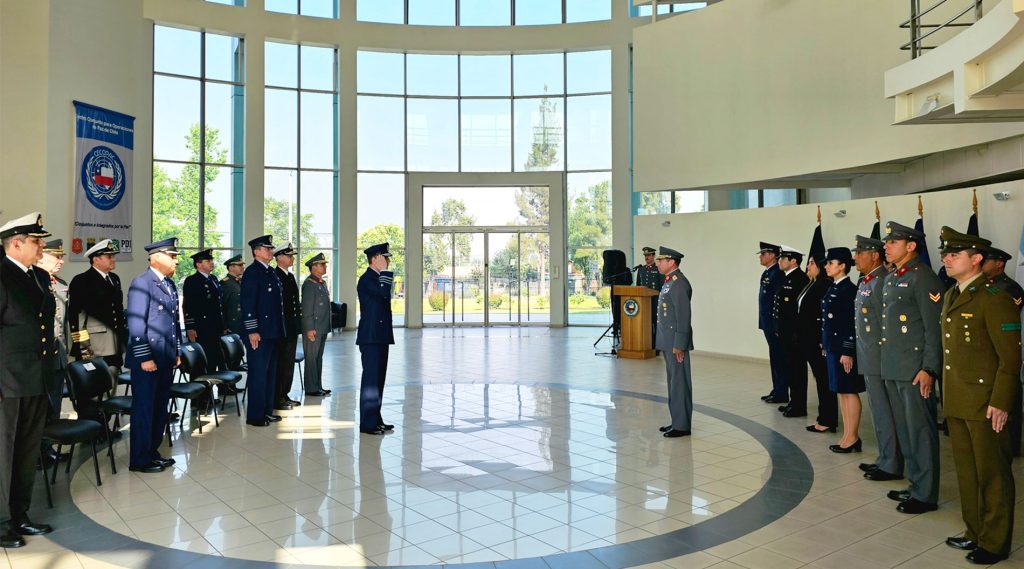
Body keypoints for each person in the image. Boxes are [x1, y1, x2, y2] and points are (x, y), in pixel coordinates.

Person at [937, 227, 1021, 566]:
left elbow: (1010, 359)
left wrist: (1000, 402)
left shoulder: (994, 298)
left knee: (993, 474)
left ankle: (995, 542)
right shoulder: (952, 294)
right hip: (958, 398)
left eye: (954, 254)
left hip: (986, 402)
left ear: (976, 260)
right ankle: (974, 531)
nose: (946, 258)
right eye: (945, 254)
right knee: (967, 472)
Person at [0, 212, 56, 548]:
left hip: (36, 378)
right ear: (16, 244)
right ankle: (2, 522)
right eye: (36, 241)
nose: (42, 246)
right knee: (4, 453)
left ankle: (20, 515)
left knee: (26, 452)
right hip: (7, 382)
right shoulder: (2, 275)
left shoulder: (38, 275)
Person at [881, 221, 944, 514]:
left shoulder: (923, 278)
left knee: (920, 432)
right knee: (906, 431)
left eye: (893, 242)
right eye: (887, 242)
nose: (886, 246)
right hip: (895, 366)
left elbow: (934, 329)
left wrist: (929, 368)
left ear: (911, 246)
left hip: (915, 370)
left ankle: (926, 494)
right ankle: (915, 483)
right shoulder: (895, 277)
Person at [125, 238, 182, 474]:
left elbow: (173, 323)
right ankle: (139, 458)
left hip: (165, 358)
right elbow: (136, 324)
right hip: (148, 360)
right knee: (145, 409)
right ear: (156, 257)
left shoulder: (168, 284)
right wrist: (143, 357)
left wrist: (176, 351)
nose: (176, 261)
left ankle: (152, 452)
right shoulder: (142, 283)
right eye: (172, 256)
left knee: (160, 408)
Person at [853, 235, 904, 481]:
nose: (855, 258)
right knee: (878, 411)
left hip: (880, 358)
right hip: (869, 356)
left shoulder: (882, 281)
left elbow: (887, 325)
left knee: (886, 412)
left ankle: (891, 463)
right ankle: (884, 458)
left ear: (875, 255)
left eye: (860, 253)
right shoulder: (868, 280)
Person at [980, 247, 1024, 456]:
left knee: (1010, 399)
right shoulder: (982, 286)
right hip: (987, 355)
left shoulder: (1010, 288)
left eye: (987, 260)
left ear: (999, 263)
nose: (982, 264)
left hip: (1004, 351)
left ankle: (1012, 445)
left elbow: (1007, 318)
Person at [822, 247, 864, 453]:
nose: (826, 266)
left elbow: (851, 323)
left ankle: (853, 436)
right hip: (834, 347)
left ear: (842, 266)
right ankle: (847, 435)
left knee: (849, 390)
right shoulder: (834, 287)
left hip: (844, 349)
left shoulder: (849, 289)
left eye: (831, 263)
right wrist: (825, 344)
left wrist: (848, 351)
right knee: (841, 391)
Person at [241, 235, 285, 427]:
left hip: (272, 331)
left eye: (271, 248)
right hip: (259, 333)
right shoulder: (252, 272)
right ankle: (255, 415)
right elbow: (248, 303)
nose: (271, 251)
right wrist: (252, 330)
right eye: (267, 248)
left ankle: (267, 411)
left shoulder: (270, 271)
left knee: (270, 374)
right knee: (258, 374)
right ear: (257, 251)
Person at [36, 239, 70, 467]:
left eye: (61, 257)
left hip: (58, 356)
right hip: (39, 358)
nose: (60, 261)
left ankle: (48, 448)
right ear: (42, 257)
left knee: (54, 405)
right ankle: (35, 452)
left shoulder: (61, 284)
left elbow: (65, 324)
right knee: (38, 409)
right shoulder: (32, 282)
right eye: (56, 257)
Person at [68, 239, 126, 369]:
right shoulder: (82, 280)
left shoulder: (114, 279)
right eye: (109, 257)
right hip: (95, 346)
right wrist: (83, 346)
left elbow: (118, 310)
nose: (113, 259)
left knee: (113, 377)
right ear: (96, 259)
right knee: (95, 380)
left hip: (115, 343)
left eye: (113, 256)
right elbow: (76, 316)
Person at [654, 246, 694, 438]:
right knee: (673, 382)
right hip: (668, 341)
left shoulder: (678, 283)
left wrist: (679, 344)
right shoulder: (670, 281)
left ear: (671, 262)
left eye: (661, 260)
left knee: (679, 383)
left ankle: (682, 426)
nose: (657, 263)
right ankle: (677, 421)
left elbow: (683, 316)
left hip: (675, 343)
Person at [357, 243, 395, 435]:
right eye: (384, 258)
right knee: (371, 382)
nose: (387, 262)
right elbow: (383, 292)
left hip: (380, 336)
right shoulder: (367, 279)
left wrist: (384, 273)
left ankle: (376, 419)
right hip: (371, 337)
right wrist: (385, 272)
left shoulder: (378, 278)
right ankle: (367, 423)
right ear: (375, 259)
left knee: (379, 380)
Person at [799, 253, 836, 434]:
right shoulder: (813, 283)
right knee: (820, 379)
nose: (808, 266)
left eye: (812, 263)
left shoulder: (824, 285)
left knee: (823, 380)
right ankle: (825, 417)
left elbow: (822, 316)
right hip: (808, 339)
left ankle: (827, 419)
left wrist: (822, 341)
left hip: (817, 341)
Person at [774, 245, 809, 417]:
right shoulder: (786, 277)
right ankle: (793, 401)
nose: (779, 261)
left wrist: (795, 332)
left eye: (783, 258)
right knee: (789, 368)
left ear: (793, 261)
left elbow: (798, 310)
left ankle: (799, 405)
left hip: (794, 334)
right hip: (785, 333)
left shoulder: (800, 279)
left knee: (797, 370)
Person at [757, 242, 787, 404]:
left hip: (774, 324)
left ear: (773, 255)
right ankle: (776, 389)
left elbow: (777, 302)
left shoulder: (778, 273)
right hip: (767, 323)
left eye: (763, 253)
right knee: (774, 356)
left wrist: (776, 324)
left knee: (779, 357)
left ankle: (781, 391)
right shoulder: (767, 273)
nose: (760, 257)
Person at [273, 243, 302, 411]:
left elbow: (295, 303)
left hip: (291, 327)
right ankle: (277, 397)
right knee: (281, 364)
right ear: (279, 258)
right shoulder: (275, 275)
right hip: (281, 328)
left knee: (288, 363)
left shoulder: (289, 276)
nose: (292, 259)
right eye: (289, 256)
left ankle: (285, 394)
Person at [301, 253, 332, 397]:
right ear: (314, 267)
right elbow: (306, 308)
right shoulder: (309, 284)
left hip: (322, 326)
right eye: (322, 264)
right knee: (311, 359)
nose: (325, 266)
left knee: (318, 358)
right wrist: (309, 328)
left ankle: (318, 386)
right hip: (313, 328)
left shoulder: (321, 283)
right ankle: (311, 388)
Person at [635, 246, 661, 348]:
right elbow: (638, 286)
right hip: (643, 302)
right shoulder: (641, 269)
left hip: (654, 301)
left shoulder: (658, 269)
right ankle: (646, 345)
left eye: (649, 255)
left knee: (655, 323)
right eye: (645, 255)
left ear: (653, 256)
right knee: (645, 323)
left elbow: (661, 286)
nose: (647, 257)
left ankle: (656, 346)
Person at [221, 255, 244, 335]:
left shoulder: (241, 281)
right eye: (240, 265)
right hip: (232, 325)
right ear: (231, 268)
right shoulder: (225, 283)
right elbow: (222, 306)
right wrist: (224, 326)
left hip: (243, 323)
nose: (243, 267)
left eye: (242, 265)